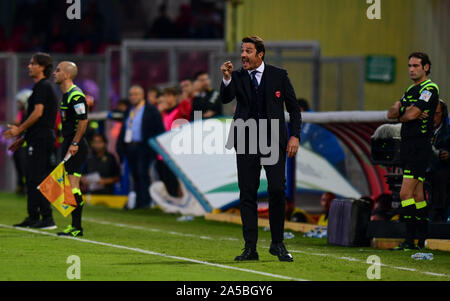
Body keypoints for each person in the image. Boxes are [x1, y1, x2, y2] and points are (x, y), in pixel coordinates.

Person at [220, 36, 302, 262]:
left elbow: (294, 109)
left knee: (277, 189)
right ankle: (250, 248)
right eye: (241, 51)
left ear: (260, 54)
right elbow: (225, 98)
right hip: (246, 140)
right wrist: (226, 78)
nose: (243, 55)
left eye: (248, 51)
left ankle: (277, 243)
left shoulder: (279, 76)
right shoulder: (236, 76)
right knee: (247, 193)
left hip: (274, 141)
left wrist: (294, 135)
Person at [387, 52, 440, 250]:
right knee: (418, 197)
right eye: (409, 65)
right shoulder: (410, 89)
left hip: (420, 145)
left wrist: (406, 111)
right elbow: (391, 113)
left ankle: (410, 240)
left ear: (425, 67)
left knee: (404, 193)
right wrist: (405, 111)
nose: (411, 69)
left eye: (416, 66)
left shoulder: (430, 88)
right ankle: (420, 241)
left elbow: (412, 114)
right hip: (408, 145)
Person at [3, 53, 58, 229]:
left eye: (32, 64)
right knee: (32, 177)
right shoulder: (39, 87)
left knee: (38, 177)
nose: (29, 66)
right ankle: (34, 216)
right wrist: (23, 138)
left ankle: (47, 217)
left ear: (42, 67)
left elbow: (38, 113)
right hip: (36, 136)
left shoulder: (43, 87)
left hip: (42, 138)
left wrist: (19, 129)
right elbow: (38, 118)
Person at [53, 61, 89, 237]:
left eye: (58, 70)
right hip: (69, 142)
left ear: (67, 75)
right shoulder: (66, 95)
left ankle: (77, 227)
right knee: (69, 185)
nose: (54, 73)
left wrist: (74, 143)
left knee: (73, 186)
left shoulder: (76, 96)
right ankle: (75, 226)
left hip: (76, 145)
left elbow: (83, 120)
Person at [117, 85, 165, 209]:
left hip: (144, 147)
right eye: (131, 94)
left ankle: (145, 202)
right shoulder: (129, 110)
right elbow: (124, 129)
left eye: (136, 94)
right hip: (130, 147)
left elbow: (159, 129)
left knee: (143, 173)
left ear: (142, 95)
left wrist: (155, 146)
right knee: (134, 175)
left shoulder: (151, 110)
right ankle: (139, 202)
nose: (133, 97)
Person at [298, 98, 347, 177]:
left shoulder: (311, 119)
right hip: (328, 160)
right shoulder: (307, 119)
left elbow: (300, 139)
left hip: (334, 158)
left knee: (340, 187)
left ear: (301, 109)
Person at [429, 100, 450, 222]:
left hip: (443, 170)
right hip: (425, 169)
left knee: (440, 176)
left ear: (443, 114)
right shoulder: (422, 132)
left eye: (436, 113)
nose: (433, 117)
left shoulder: (448, 132)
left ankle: (438, 213)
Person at [12, 89, 32, 195]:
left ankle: (26, 187)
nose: (18, 104)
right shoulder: (21, 113)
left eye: (20, 102)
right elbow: (16, 122)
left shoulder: (30, 115)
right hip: (20, 144)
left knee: (26, 166)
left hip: (27, 145)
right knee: (17, 161)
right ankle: (21, 186)